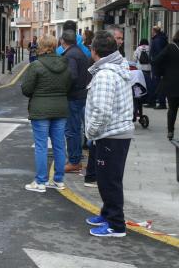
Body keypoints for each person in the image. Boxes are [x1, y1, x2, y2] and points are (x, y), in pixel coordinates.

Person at [84, 30, 134, 238]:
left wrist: (91, 132)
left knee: (109, 181)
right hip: (116, 133)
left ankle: (116, 225)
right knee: (108, 179)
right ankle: (107, 214)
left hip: (110, 135)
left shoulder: (105, 74)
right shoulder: (117, 67)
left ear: (95, 51)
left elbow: (102, 110)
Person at [21, 34, 71, 193]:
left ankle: (41, 181)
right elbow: (69, 85)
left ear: (41, 47)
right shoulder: (65, 63)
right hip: (61, 109)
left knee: (41, 146)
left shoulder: (36, 65)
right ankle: (58, 180)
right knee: (59, 146)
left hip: (40, 110)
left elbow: (26, 89)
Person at [59, 30, 90, 174]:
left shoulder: (70, 55)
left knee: (71, 130)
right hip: (81, 95)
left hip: (73, 96)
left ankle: (74, 161)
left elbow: (71, 75)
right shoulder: (79, 52)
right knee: (76, 128)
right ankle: (76, 158)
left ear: (62, 41)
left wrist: (62, 88)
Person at [151, 30, 179, 140]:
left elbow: (155, 61)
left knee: (172, 109)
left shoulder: (170, 48)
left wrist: (163, 73)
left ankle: (170, 131)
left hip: (171, 84)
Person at [148, 26, 168, 109]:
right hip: (160, 65)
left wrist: (153, 62)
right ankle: (156, 102)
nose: (151, 33)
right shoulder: (162, 39)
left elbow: (159, 54)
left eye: (152, 31)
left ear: (154, 31)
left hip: (158, 66)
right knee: (158, 84)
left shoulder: (157, 40)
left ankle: (158, 102)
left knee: (156, 84)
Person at [133, 39, 152, 103]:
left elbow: (134, 58)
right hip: (148, 68)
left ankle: (140, 96)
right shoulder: (150, 48)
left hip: (140, 68)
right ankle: (148, 97)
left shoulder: (138, 48)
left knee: (140, 83)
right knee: (148, 83)